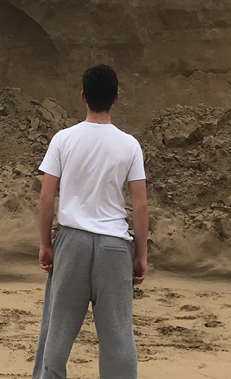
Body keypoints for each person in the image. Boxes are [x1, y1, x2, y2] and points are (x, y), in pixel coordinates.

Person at [32, 64, 148, 379]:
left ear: (83, 97)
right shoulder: (130, 145)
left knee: (57, 332)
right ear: (116, 98)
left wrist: (45, 244)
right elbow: (139, 204)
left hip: (72, 243)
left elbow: (46, 198)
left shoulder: (62, 140)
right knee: (118, 336)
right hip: (114, 247)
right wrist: (140, 255)